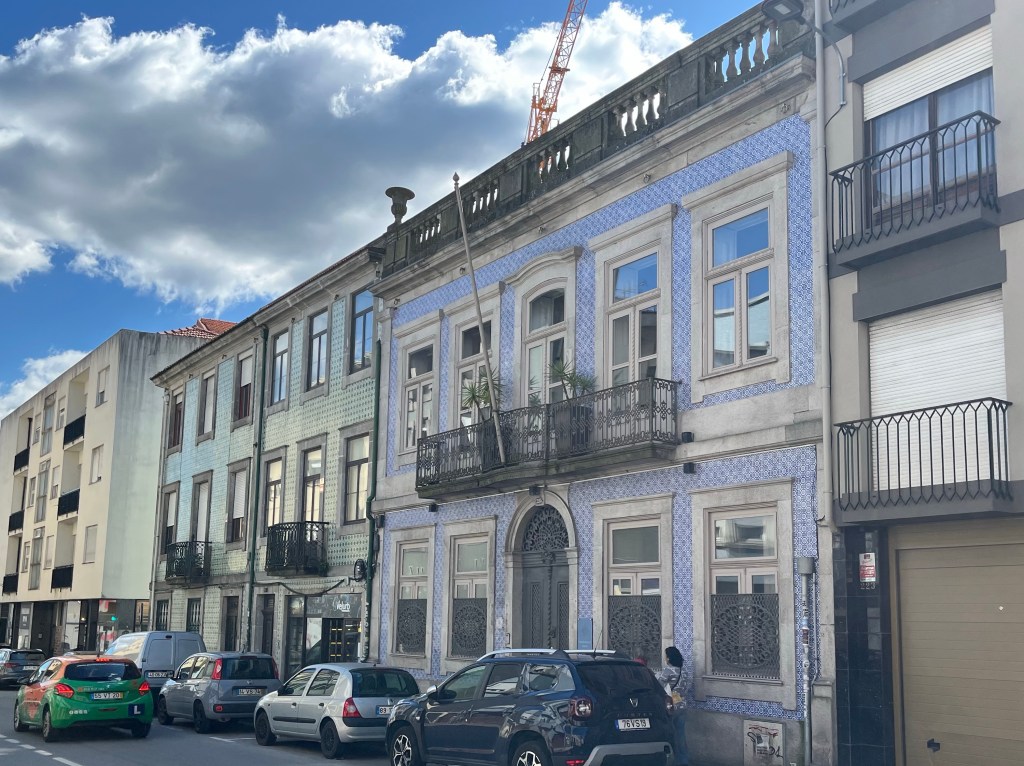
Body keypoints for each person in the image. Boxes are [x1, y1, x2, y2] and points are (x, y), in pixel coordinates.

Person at [654, 646, 689, 766]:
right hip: (682, 706)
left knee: (669, 734)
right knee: (681, 734)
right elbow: (686, 688)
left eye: (666, 656)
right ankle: (683, 761)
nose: (665, 658)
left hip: (670, 707)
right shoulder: (684, 672)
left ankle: (671, 761)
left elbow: (658, 686)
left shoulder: (668, 671)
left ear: (668, 658)